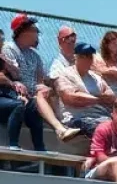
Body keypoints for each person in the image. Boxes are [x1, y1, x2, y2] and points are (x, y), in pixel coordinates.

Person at [3, 13, 80, 141]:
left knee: (50, 92)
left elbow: (40, 80)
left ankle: (66, 125)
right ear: (24, 31)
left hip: (34, 94)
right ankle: (60, 129)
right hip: (16, 94)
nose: (38, 34)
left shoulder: (35, 56)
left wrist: (45, 87)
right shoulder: (9, 49)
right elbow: (13, 76)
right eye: (35, 31)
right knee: (39, 96)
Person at [55, 42, 115, 138]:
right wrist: (99, 99)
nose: (88, 59)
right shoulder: (65, 74)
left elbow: (111, 96)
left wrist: (88, 96)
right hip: (77, 119)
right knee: (103, 130)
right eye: (84, 56)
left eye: (90, 57)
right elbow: (71, 98)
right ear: (76, 57)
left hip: (101, 117)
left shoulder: (96, 78)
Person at [0, 29, 46, 152]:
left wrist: (8, 65)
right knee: (18, 105)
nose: (1, 43)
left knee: (33, 107)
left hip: (5, 98)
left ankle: (40, 148)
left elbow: (16, 75)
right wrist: (11, 82)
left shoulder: (2, 59)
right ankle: (13, 144)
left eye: (2, 40)